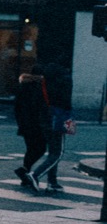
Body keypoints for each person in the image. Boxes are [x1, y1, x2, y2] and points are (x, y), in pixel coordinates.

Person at [26, 59, 73, 194]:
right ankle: (36, 174)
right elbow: (65, 101)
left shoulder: (44, 77)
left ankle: (52, 182)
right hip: (58, 115)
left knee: (52, 150)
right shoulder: (64, 78)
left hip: (45, 115)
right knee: (58, 152)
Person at [13, 65, 49, 187]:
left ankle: (25, 174)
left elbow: (17, 106)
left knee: (30, 149)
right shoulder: (39, 87)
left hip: (24, 123)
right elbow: (39, 106)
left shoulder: (23, 85)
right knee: (41, 148)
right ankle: (24, 171)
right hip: (36, 123)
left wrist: (20, 122)